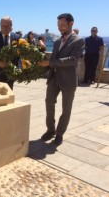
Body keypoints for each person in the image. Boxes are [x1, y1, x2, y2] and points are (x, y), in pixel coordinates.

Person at [39, 13, 85, 145]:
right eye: (58, 25)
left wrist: (50, 63)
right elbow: (53, 59)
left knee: (66, 109)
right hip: (54, 78)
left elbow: (73, 60)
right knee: (49, 104)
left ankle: (60, 134)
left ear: (71, 24)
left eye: (63, 25)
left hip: (68, 80)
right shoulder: (58, 41)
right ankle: (50, 130)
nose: (60, 28)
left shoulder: (79, 40)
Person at [0, 16, 19, 90]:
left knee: (9, 96)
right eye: (3, 26)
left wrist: (19, 69)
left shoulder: (16, 38)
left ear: (11, 26)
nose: (5, 28)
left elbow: (19, 56)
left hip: (11, 74)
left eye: (7, 26)